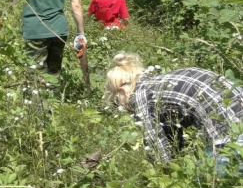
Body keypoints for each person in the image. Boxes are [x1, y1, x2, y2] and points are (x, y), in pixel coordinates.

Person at [104, 52, 243, 169]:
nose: (121, 106)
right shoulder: (159, 84)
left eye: (117, 101)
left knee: (208, 181)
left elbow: (156, 146)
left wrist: (162, 174)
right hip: (237, 105)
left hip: (226, 127)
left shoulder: (140, 96)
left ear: (121, 92)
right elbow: (170, 132)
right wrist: (176, 157)